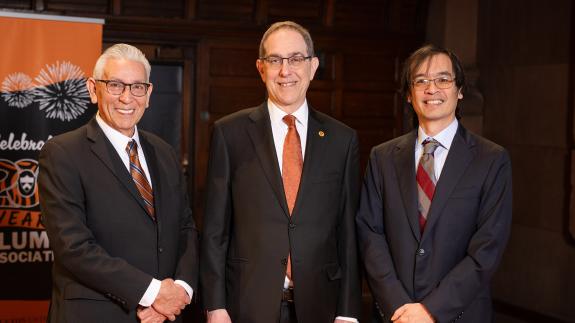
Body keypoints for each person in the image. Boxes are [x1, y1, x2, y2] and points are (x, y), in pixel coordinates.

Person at [200, 21, 362, 323]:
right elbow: (214, 230)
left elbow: (348, 232)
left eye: (296, 59)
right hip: (246, 305)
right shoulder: (230, 134)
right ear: (261, 69)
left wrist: (348, 311)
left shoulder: (342, 140)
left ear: (313, 67)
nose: (285, 70)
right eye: (275, 60)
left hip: (320, 306)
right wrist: (215, 305)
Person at [38, 43, 199, 323]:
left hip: (164, 316)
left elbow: (185, 227)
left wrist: (180, 291)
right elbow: (73, 247)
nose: (127, 98)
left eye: (137, 87)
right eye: (115, 85)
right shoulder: (63, 153)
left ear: (148, 94)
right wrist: (153, 294)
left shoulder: (165, 153)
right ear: (93, 89)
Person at [356, 44, 513, 323]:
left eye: (443, 79)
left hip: (460, 315)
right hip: (395, 315)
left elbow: (488, 247)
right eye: (421, 81)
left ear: (459, 90)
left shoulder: (491, 160)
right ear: (408, 94)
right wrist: (399, 306)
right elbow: (370, 234)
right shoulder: (382, 157)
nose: (432, 89)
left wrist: (430, 310)